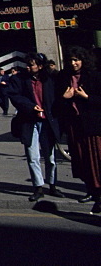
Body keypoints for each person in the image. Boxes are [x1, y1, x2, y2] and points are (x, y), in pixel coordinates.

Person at [7, 52, 63, 201]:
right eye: (28, 64)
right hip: (30, 121)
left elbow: (58, 97)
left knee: (50, 157)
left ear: (40, 66)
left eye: (31, 64)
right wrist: (30, 106)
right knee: (33, 156)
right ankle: (38, 187)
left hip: (47, 121)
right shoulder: (20, 79)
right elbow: (15, 96)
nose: (28, 67)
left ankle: (52, 184)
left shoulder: (50, 79)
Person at [57, 47, 101, 214]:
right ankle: (93, 192)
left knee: (96, 161)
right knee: (83, 163)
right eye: (70, 60)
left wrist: (87, 98)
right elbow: (56, 105)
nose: (73, 63)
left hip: (93, 126)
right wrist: (64, 98)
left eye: (76, 60)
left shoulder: (94, 76)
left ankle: (99, 197)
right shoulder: (63, 78)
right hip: (75, 127)